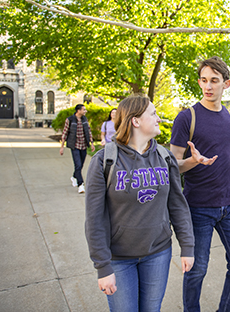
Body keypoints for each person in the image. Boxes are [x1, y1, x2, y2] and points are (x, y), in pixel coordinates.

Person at [170, 56, 230, 312]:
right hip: (197, 207)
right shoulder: (186, 118)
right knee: (197, 269)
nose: (208, 86)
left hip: (228, 207)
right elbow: (171, 167)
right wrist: (193, 161)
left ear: (227, 83)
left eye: (214, 80)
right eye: (204, 80)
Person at [85, 95, 195, 312]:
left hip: (158, 253)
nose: (159, 119)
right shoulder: (103, 161)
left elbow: (177, 205)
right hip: (118, 259)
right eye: (153, 114)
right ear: (135, 121)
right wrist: (103, 266)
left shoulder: (165, 158)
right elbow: (94, 218)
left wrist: (187, 246)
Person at [60, 104, 95, 194]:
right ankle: (81, 185)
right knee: (78, 164)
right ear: (78, 111)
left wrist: (92, 143)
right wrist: (62, 147)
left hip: (83, 145)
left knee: (80, 165)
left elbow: (88, 131)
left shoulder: (84, 119)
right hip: (75, 145)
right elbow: (65, 132)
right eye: (84, 109)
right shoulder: (70, 120)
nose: (85, 111)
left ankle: (74, 176)